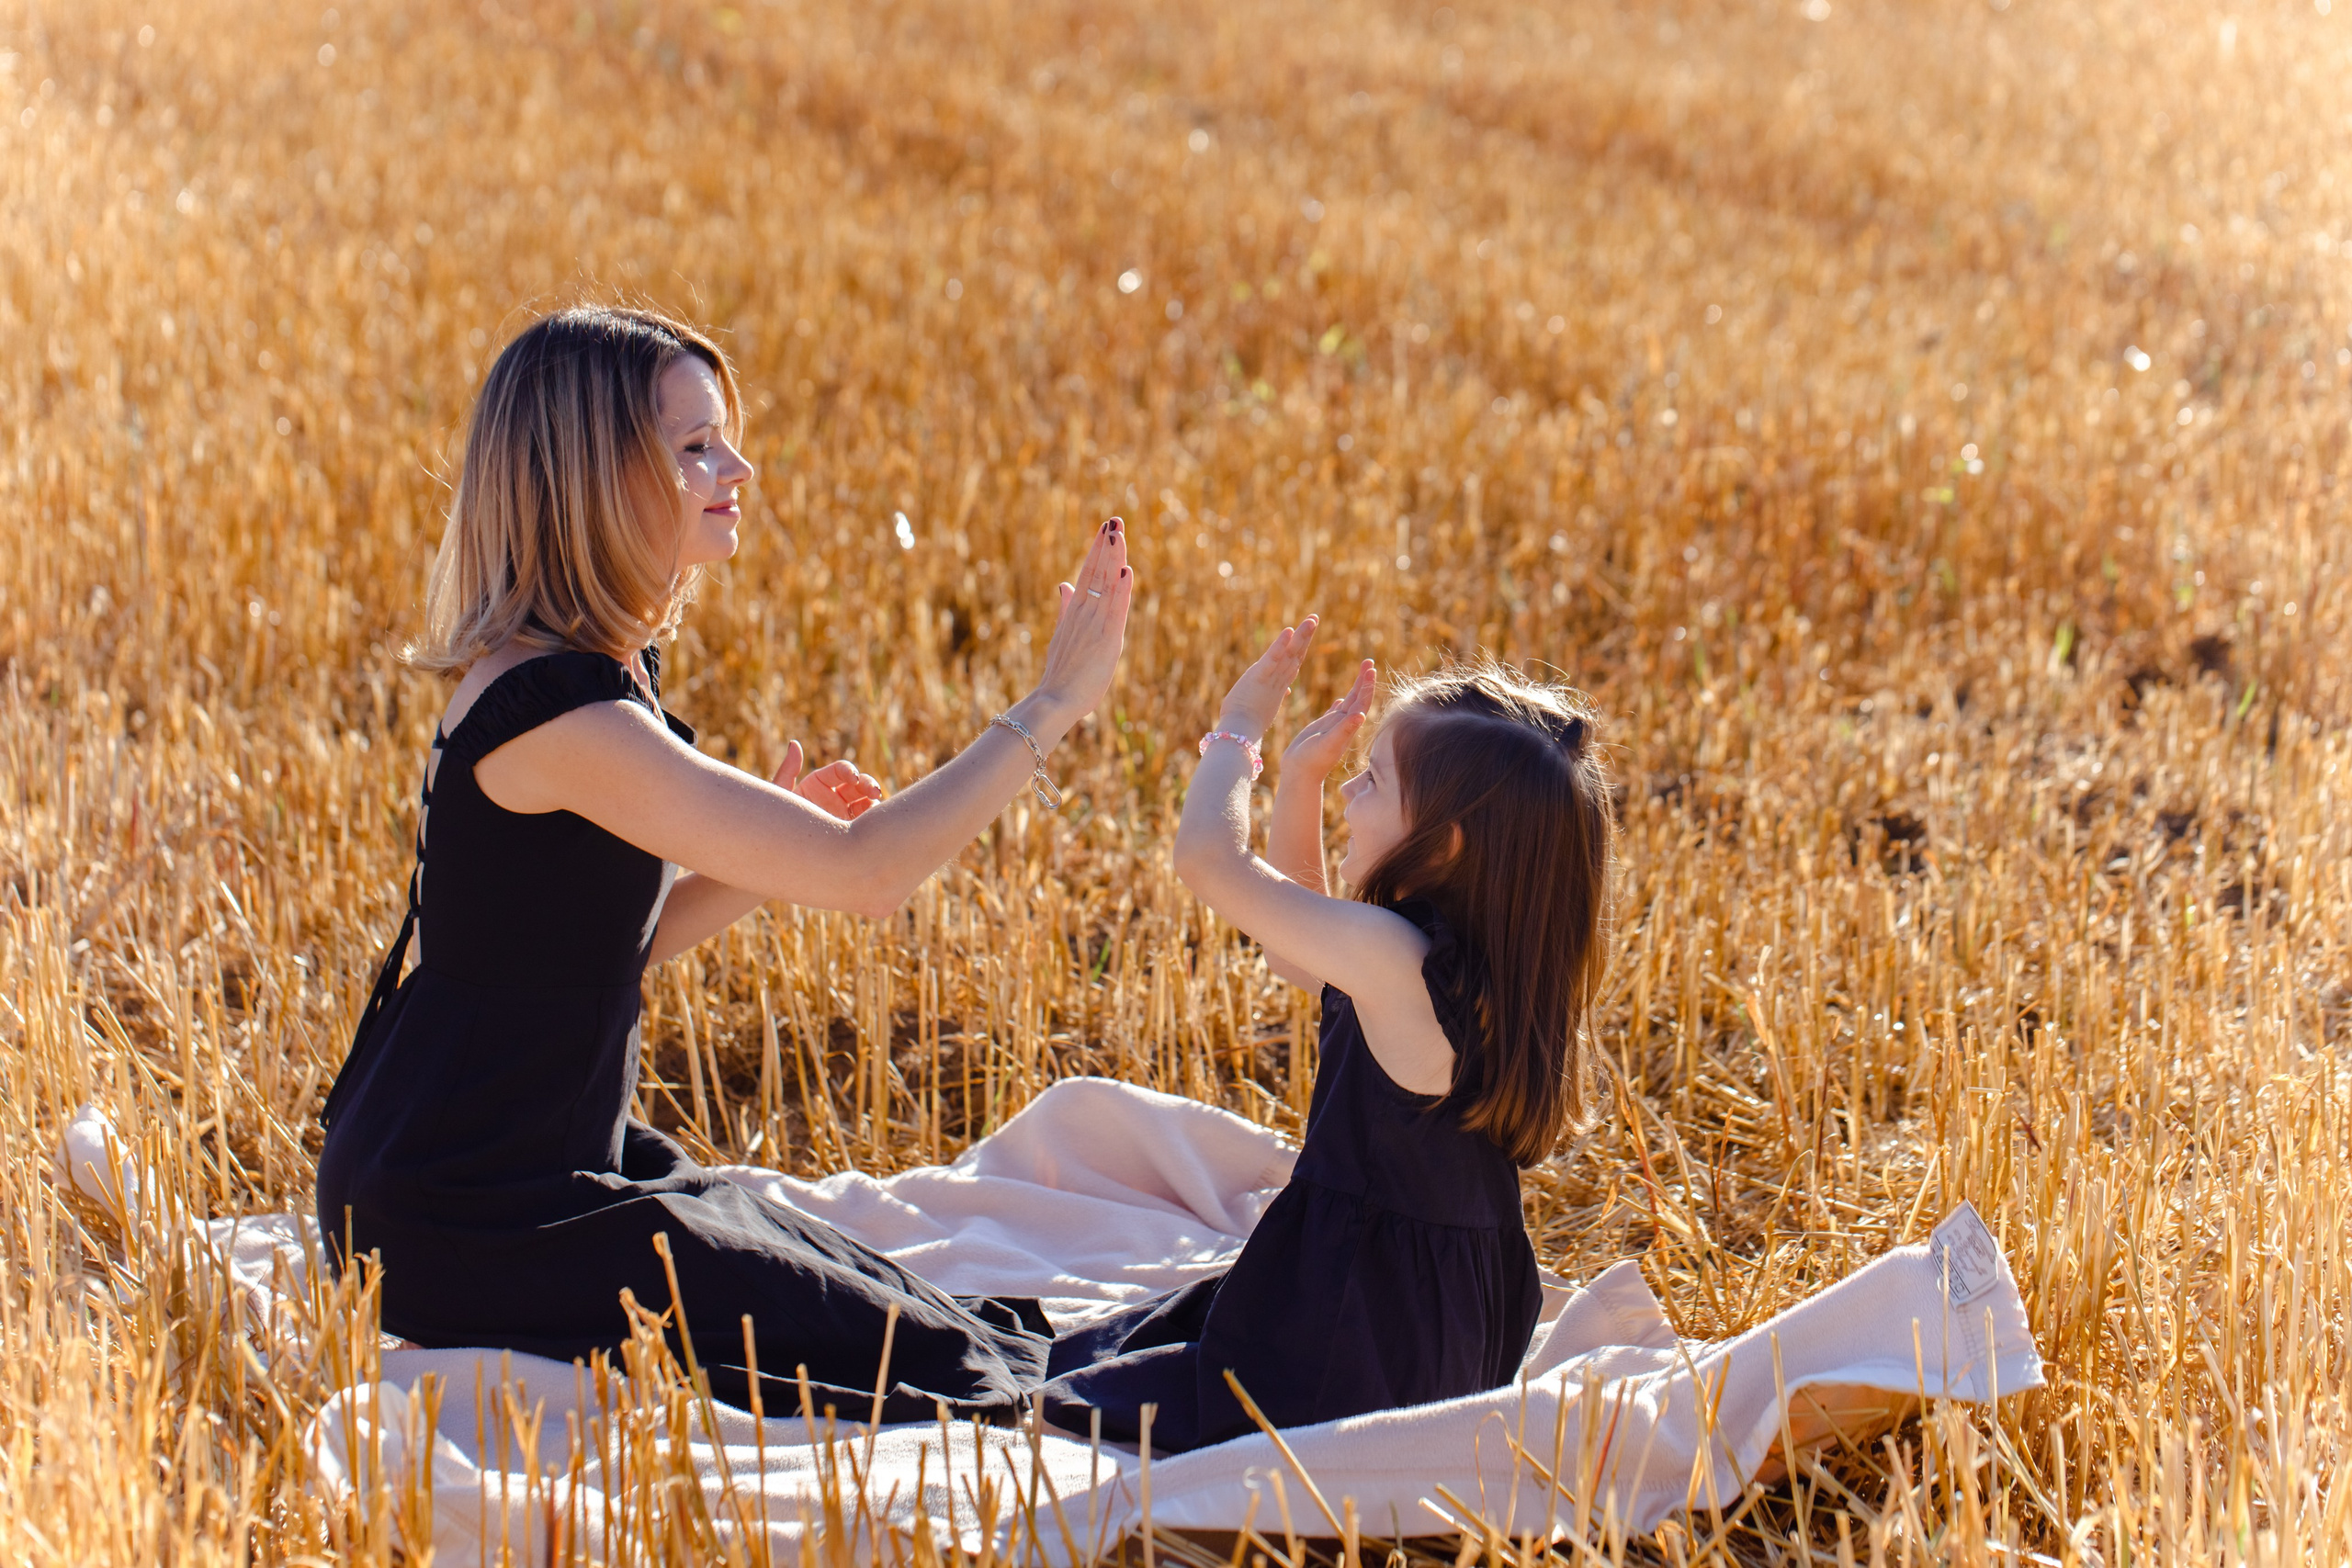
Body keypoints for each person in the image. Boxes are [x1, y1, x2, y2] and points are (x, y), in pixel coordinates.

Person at [316, 305, 1133, 1420]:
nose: (734, 467)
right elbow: (869, 874)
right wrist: (1051, 706)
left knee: (881, 1299)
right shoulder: (559, 712)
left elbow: (594, 949)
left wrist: (754, 856)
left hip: (530, 1152)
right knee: (919, 1373)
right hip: (467, 1208)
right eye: (694, 446)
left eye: (723, 438)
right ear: (593, 477)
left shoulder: (589, 672)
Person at [1041, 620, 1612, 1451]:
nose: (1351, 793)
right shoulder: (1461, 964)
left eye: (1370, 782)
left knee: (1075, 1393)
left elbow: (1207, 858)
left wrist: (1237, 733)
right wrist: (1305, 777)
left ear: (1442, 846)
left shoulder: (1395, 958)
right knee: (1133, 1354)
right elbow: (1291, 949)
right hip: (1432, 1320)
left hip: (1360, 1330)